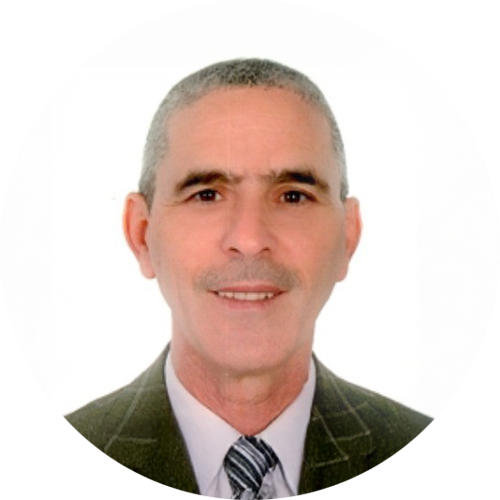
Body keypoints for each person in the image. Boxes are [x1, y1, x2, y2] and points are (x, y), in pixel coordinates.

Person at [0, 58, 498, 499]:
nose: (250, 238)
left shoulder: (472, 482)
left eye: (293, 195)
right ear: (141, 234)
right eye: (207, 194)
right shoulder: (17, 482)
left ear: (347, 237)